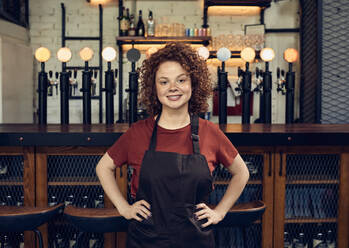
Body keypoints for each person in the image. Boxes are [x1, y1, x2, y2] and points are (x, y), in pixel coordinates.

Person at [96, 42, 249, 248]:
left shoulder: (209, 132)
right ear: (154, 88)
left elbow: (241, 173)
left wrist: (219, 212)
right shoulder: (138, 133)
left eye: (181, 80)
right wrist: (124, 208)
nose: (173, 88)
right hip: (146, 239)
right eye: (164, 82)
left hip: (195, 240)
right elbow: (103, 167)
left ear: (193, 84)